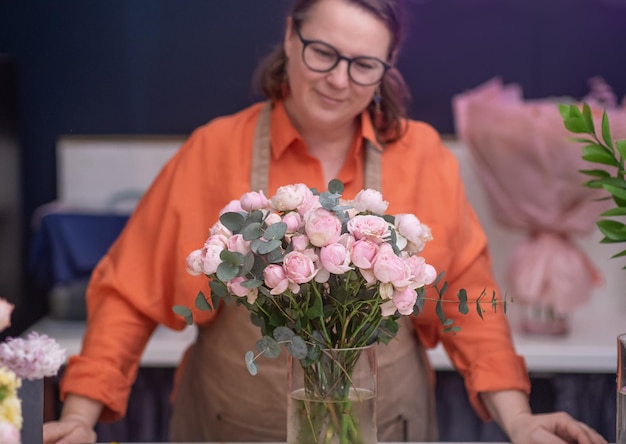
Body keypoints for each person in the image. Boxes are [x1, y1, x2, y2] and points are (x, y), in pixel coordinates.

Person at [43, 0, 608, 443]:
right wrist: (80, 414)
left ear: (386, 68)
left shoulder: (423, 156)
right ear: (290, 37)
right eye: (323, 52)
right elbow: (128, 293)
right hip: (231, 431)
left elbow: (467, 299)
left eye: (363, 64)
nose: (339, 79)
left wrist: (519, 419)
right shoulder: (214, 149)